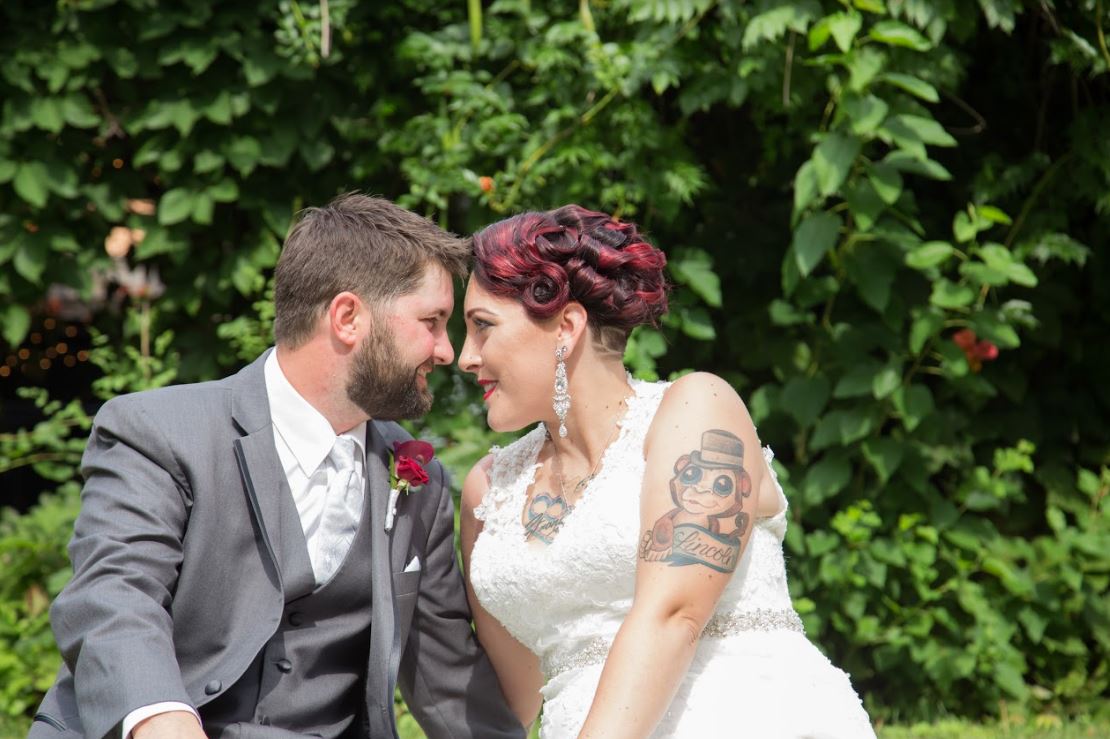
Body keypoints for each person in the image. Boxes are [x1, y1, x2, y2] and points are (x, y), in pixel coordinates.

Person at [29, 194, 524, 739]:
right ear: (347, 318)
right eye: (431, 321)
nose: (447, 352)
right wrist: (161, 719)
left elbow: (447, 678)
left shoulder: (416, 482)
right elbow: (113, 595)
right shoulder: (160, 433)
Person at [457, 205, 876, 738]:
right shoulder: (487, 489)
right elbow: (512, 702)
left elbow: (672, 616)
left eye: (483, 327)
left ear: (565, 326)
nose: (466, 357)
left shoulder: (697, 412)